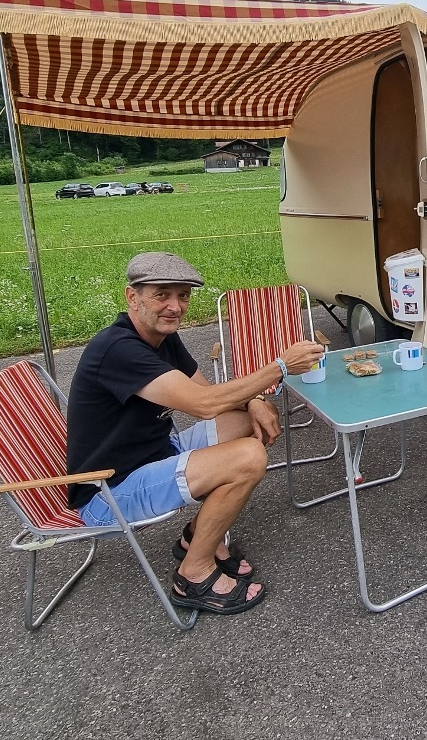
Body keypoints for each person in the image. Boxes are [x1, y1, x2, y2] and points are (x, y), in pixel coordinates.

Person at [65, 252, 324, 616]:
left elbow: (213, 397)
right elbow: (203, 404)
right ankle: (194, 575)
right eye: (162, 295)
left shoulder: (160, 338)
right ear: (132, 297)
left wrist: (252, 401)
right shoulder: (118, 349)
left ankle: (194, 538)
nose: (175, 306)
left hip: (155, 456)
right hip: (108, 490)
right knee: (249, 458)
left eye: (183, 295)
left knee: (241, 420)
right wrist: (279, 367)